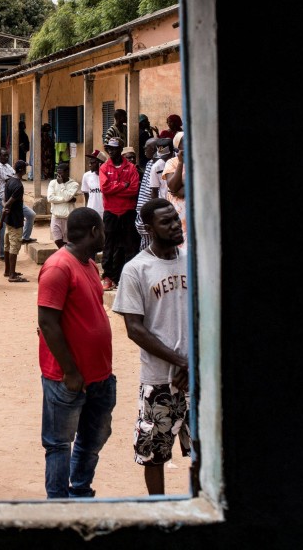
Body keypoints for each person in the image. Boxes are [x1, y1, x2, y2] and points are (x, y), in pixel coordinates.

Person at [36, 207, 117, 498]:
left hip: (99, 376)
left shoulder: (89, 266)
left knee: (92, 439)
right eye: (103, 230)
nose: (105, 235)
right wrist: (70, 371)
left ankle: (80, 490)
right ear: (95, 232)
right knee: (59, 444)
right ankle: (57, 504)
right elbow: (46, 321)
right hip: (66, 379)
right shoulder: (59, 267)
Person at [113, 197, 190, 496]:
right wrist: (180, 361)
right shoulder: (137, 270)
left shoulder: (192, 261)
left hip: (197, 376)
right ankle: (158, 511)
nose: (175, 225)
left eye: (175, 218)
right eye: (166, 221)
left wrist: (192, 361)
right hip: (159, 379)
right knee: (153, 454)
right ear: (149, 228)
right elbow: (134, 329)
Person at [99, 137, 140, 291]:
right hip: (110, 212)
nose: (111, 151)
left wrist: (115, 188)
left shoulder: (130, 168)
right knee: (109, 246)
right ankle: (108, 277)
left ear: (120, 149)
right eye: (109, 148)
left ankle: (129, 278)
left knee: (129, 246)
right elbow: (105, 189)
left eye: (114, 148)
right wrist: (123, 185)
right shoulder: (104, 168)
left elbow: (134, 190)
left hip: (128, 212)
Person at [134, 138, 171, 251]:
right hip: (146, 209)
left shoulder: (162, 165)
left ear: (155, 149)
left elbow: (154, 192)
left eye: (147, 147)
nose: (144, 149)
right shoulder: (151, 164)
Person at [0, 160, 30, 283]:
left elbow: (5, 202)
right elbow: (8, 203)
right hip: (16, 219)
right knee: (14, 246)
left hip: (8, 219)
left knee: (7, 244)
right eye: (25, 168)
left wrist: (3, 205)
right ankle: (12, 275)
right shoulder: (18, 186)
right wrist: (4, 204)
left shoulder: (9, 181)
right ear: (21, 170)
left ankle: (7, 271)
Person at [161, 132, 187, 248]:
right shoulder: (172, 162)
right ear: (178, 145)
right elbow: (173, 186)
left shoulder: (198, 161)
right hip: (178, 213)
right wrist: (181, 162)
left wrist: (181, 190)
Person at [47, 161, 80, 249]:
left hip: (68, 218)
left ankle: (66, 256)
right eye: (58, 173)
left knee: (67, 241)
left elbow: (67, 196)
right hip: (56, 216)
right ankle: (65, 254)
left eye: (61, 173)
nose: (59, 176)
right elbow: (50, 198)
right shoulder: (52, 183)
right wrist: (65, 200)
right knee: (57, 240)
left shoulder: (74, 184)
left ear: (67, 172)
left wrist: (61, 185)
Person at [81, 150, 106, 221]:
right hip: (92, 211)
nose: (89, 165)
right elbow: (86, 194)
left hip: (105, 212)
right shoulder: (86, 176)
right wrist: (87, 209)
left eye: (92, 162)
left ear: (100, 163)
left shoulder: (108, 175)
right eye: (90, 162)